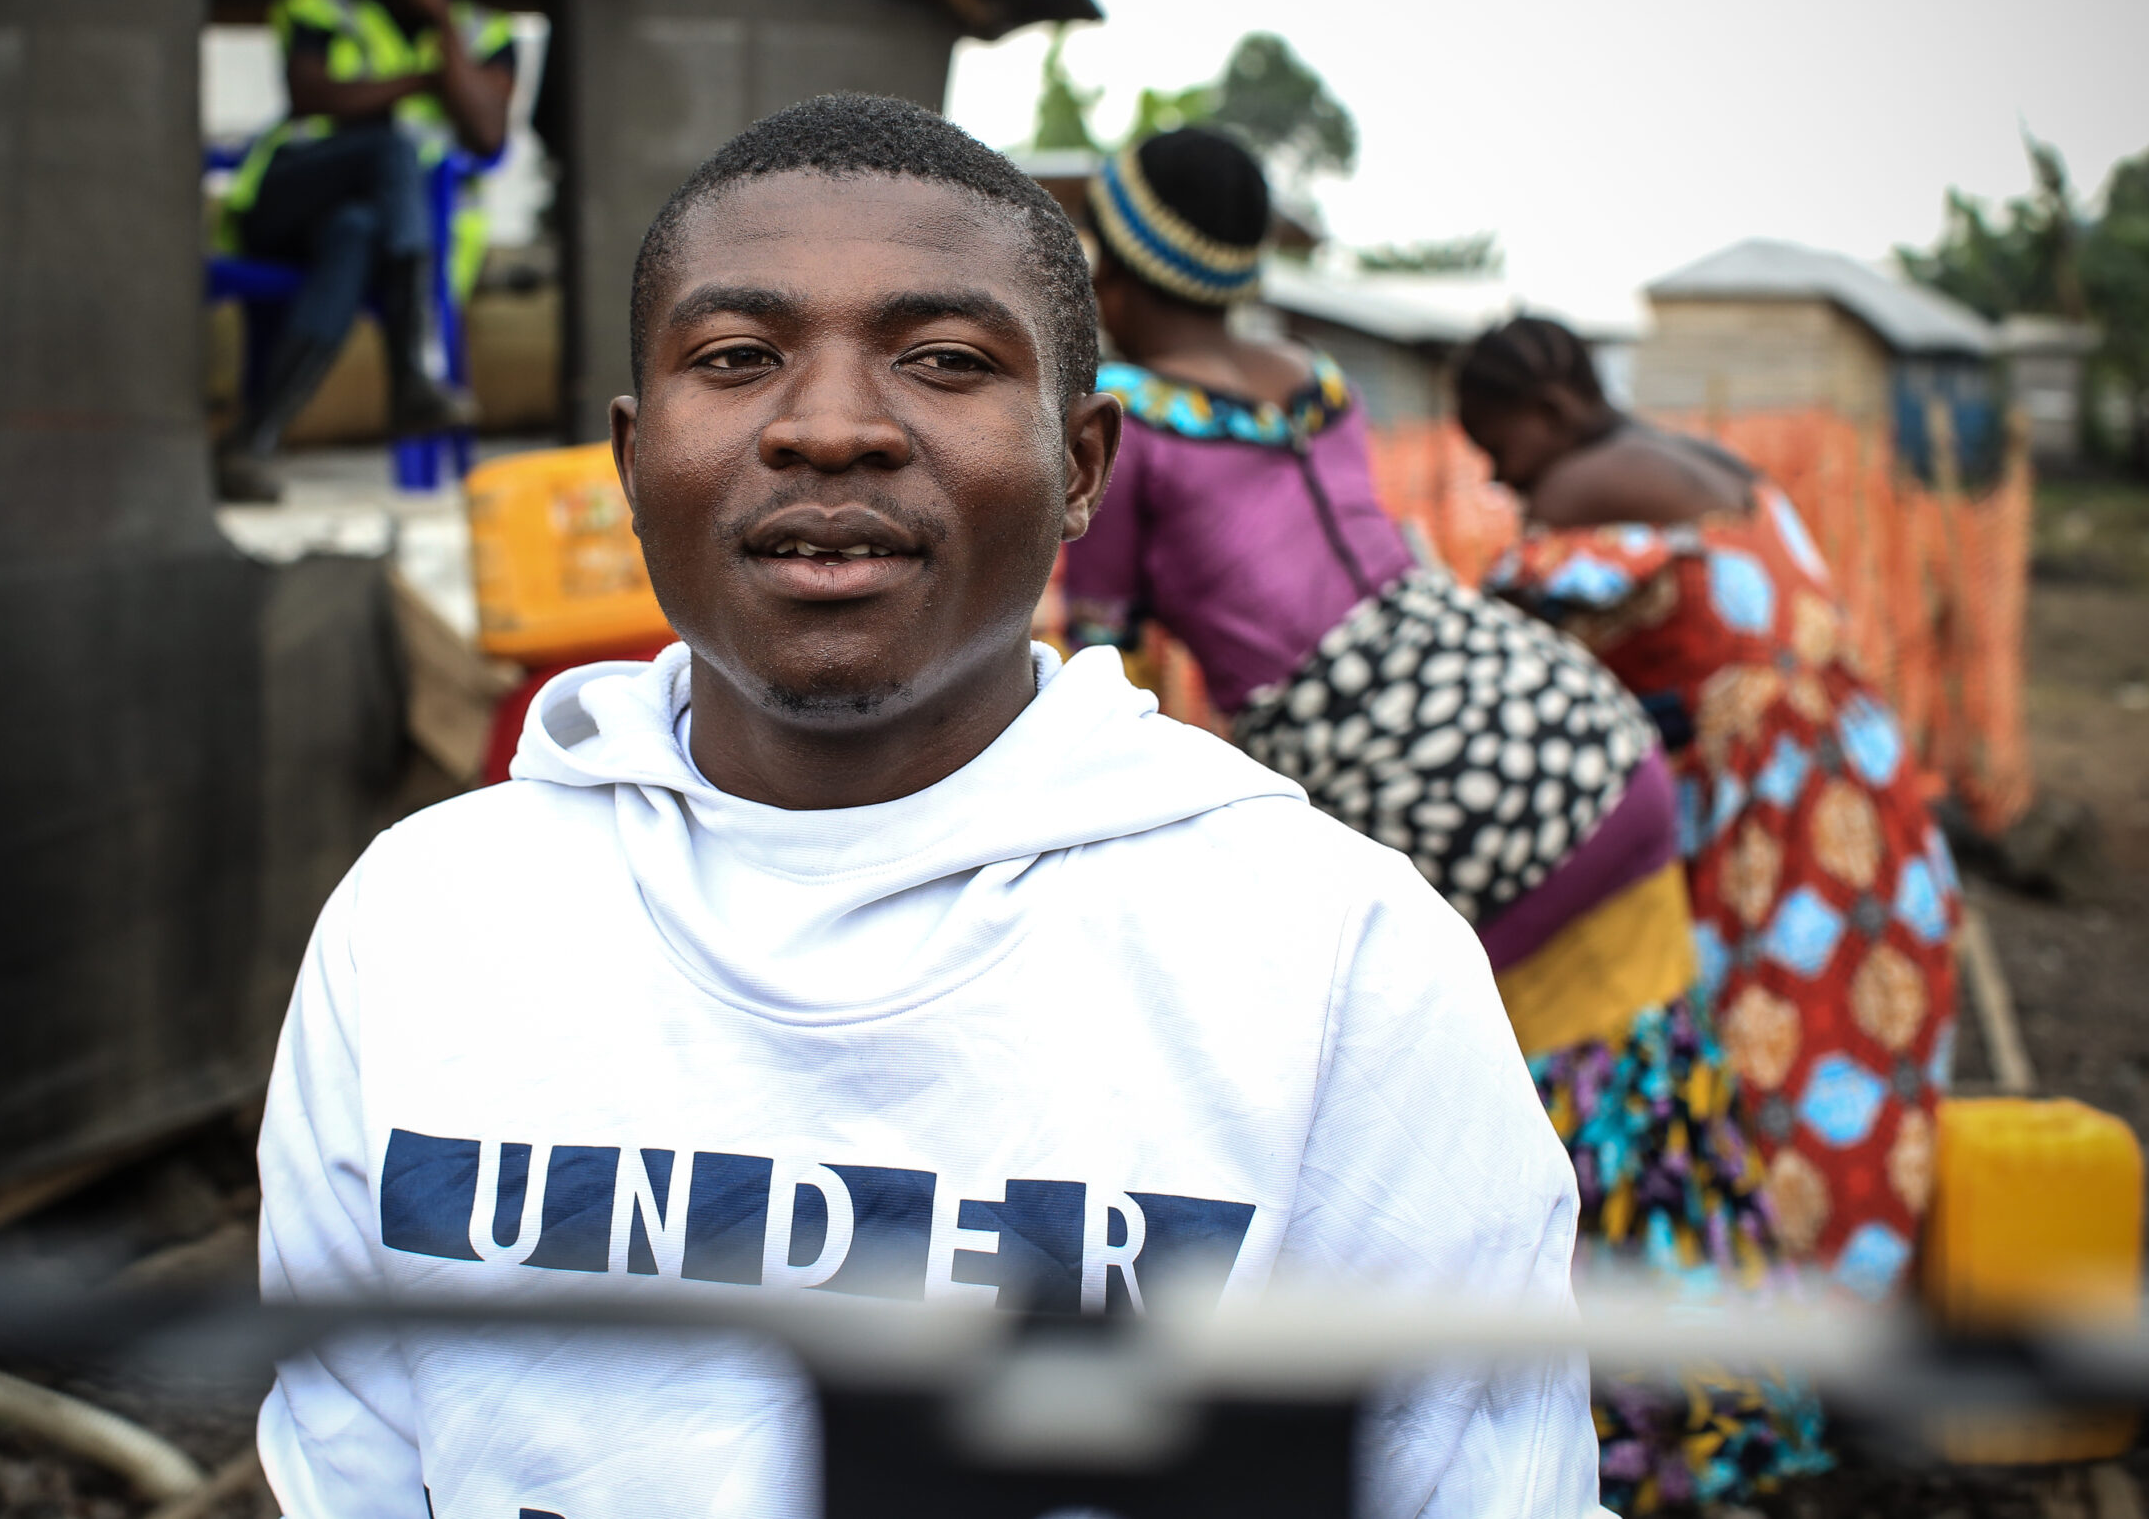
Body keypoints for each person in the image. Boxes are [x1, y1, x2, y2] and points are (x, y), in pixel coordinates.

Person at [255, 95, 1603, 1518]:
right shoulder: (424, 923)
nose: (831, 428)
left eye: (947, 359)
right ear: (633, 459)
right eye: (738, 356)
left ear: (1081, 464)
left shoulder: (1334, 964)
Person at [1063, 131, 1825, 1510]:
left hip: (1449, 802)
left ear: (1113, 269)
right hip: (1572, 730)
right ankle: (1718, 1432)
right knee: (1642, 1109)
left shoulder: (1119, 417)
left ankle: (1603, 1451)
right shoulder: (1320, 383)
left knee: (1507, 1156)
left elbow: (1101, 673)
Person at [1460, 315, 1962, 1310]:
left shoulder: (1577, 487)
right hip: (1853, 775)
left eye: (1497, 448)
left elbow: (1508, 649)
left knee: (1764, 1031)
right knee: (1845, 1025)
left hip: (1776, 808)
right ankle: (1833, 1297)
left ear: (1550, 412)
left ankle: (1760, 1316)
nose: (1500, 480)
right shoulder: (1683, 453)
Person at [213, 0, 517, 501]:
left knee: (355, 233)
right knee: (390, 150)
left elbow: (486, 134)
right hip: (288, 203)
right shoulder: (320, 8)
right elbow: (313, 95)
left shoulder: (485, 33)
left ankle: (253, 440)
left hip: (374, 231)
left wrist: (441, 29)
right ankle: (411, 375)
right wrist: (425, 79)